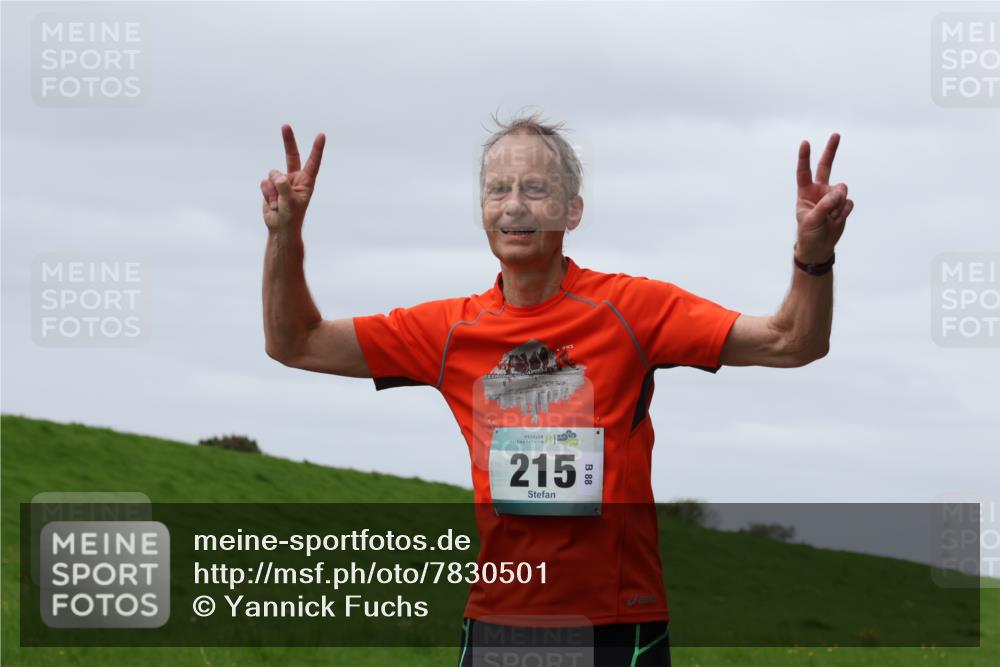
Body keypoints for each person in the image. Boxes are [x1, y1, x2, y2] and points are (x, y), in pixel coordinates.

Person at [260, 113, 854, 667]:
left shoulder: (632, 310)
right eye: (497, 190)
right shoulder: (448, 331)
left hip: (617, 626)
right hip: (499, 625)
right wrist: (285, 236)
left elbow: (792, 342)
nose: (513, 206)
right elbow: (295, 342)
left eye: (535, 189)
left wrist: (814, 258)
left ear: (573, 211)